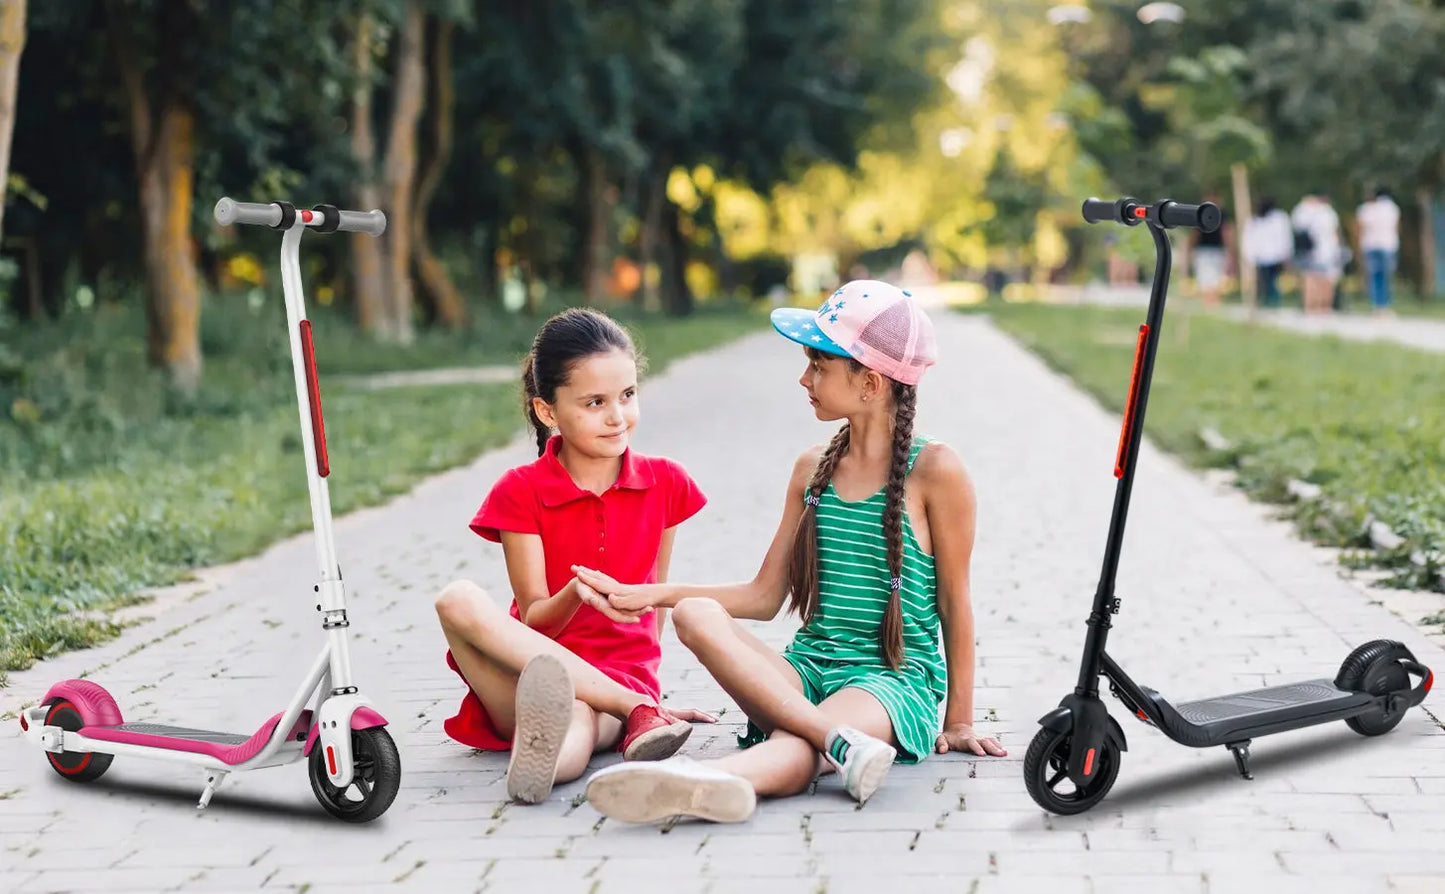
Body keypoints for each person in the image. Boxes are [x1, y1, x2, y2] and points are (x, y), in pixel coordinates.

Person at [573, 281, 1006, 825]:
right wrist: (653, 594)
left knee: (809, 739)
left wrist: (959, 720)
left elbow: (954, 601)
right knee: (695, 615)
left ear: (870, 383)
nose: (805, 379)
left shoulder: (937, 472)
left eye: (819, 365)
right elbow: (763, 597)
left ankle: (708, 781)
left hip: (889, 681)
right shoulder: (812, 469)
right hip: (805, 670)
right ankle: (820, 748)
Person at [433, 307, 715, 805]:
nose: (617, 416)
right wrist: (574, 594)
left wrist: (651, 684)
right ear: (548, 411)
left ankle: (544, 759)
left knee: (576, 720)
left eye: (627, 396)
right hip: (530, 668)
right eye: (594, 403)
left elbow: (657, 604)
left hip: (615, 678)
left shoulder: (665, 481)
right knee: (456, 599)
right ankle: (636, 712)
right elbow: (536, 622)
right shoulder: (521, 491)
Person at [1291, 192, 1344, 314]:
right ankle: (1324, 307)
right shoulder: (1328, 212)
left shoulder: (1302, 211)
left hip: (1309, 251)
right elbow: (1335, 232)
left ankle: (1310, 306)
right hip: (1327, 250)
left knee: (1310, 278)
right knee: (1326, 279)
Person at [1355, 187, 1401, 316]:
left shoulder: (1366, 209)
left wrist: (1359, 246)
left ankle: (1376, 306)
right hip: (1388, 246)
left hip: (1369, 246)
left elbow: (1360, 228)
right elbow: (1396, 227)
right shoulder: (1392, 208)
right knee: (1387, 277)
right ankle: (1386, 306)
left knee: (1374, 277)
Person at [1242, 197, 1293, 307]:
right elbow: (1249, 240)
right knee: (1265, 281)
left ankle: (1272, 302)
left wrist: (1286, 254)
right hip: (1262, 256)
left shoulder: (1278, 218)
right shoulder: (1255, 220)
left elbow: (1284, 238)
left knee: (1271, 281)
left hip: (1273, 256)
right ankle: (1266, 302)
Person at [1191, 195, 1231, 308]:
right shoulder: (1220, 214)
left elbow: (1225, 232)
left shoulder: (1202, 213)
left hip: (1211, 249)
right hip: (1207, 249)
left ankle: (1211, 302)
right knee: (1211, 277)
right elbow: (1226, 232)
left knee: (1211, 277)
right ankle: (1210, 302)